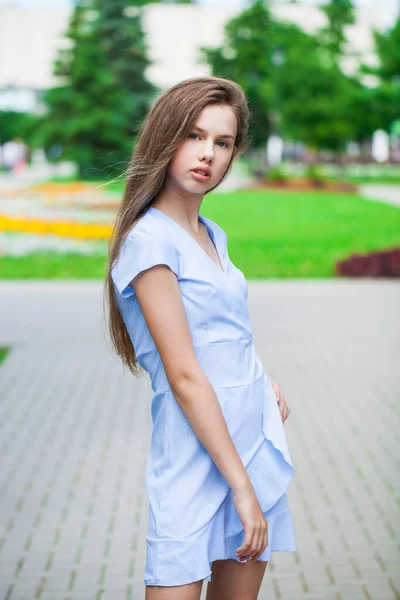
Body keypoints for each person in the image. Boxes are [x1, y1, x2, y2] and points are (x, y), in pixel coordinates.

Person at [106, 76, 296, 600]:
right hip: (195, 456)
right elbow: (185, 375)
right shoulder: (148, 240)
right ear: (165, 137)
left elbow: (225, 331)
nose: (207, 154)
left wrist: (260, 382)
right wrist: (241, 489)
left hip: (248, 442)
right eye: (193, 135)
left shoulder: (213, 235)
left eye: (222, 142)